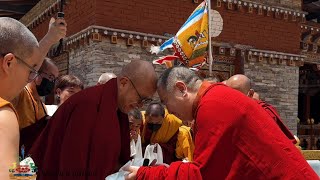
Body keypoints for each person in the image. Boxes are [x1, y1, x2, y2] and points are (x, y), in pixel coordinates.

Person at [126, 66, 317, 180]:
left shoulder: (212, 105)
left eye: (166, 101)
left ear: (181, 89)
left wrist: (146, 175)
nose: (168, 110)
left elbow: (202, 175)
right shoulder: (217, 97)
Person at [29, 60, 157, 180]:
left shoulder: (118, 110)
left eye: (146, 101)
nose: (141, 106)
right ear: (123, 83)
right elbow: (72, 165)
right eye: (141, 99)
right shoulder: (87, 104)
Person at [0, 17, 66, 180]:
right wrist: (28, 172)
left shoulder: (41, 106)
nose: (30, 77)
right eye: (30, 71)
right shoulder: (4, 114)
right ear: (8, 63)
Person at [226, 74, 296, 144]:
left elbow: (271, 141)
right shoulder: (223, 108)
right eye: (227, 92)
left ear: (250, 94)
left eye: (236, 93)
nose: (231, 96)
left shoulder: (264, 112)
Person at [13, 58, 59, 129]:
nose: (52, 83)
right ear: (37, 73)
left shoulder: (43, 107)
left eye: (55, 79)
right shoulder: (18, 94)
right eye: (51, 77)